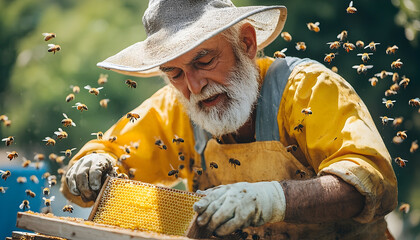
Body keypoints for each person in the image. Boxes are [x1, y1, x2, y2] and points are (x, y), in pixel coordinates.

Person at [61, 0, 397, 239]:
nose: (194, 86)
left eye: (204, 60)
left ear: (247, 43)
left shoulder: (308, 88)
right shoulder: (178, 108)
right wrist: (94, 162)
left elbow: (368, 183)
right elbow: (110, 159)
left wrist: (271, 199)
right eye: (175, 73)